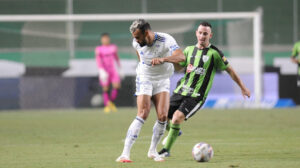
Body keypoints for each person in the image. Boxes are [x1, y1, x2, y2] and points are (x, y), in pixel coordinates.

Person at [151, 21, 251, 157]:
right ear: (196, 33)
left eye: (205, 33)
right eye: (200, 33)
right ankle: (175, 131)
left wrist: (243, 87)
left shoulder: (215, 53)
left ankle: (166, 150)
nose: (202, 36)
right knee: (162, 117)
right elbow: (180, 67)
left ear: (210, 35)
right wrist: (167, 61)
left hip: (196, 96)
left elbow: (230, 70)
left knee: (176, 118)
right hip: (180, 90)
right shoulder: (188, 50)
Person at [116, 19, 185, 163]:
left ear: (146, 32)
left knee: (162, 116)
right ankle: (125, 154)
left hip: (163, 79)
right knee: (143, 113)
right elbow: (140, 56)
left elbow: (181, 57)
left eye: (138, 37)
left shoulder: (166, 39)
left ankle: (153, 151)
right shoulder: (136, 43)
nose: (136, 40)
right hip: (145, 77)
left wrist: (163, 59)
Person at [95, 33, 121, 113]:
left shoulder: (113, 47)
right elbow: (98, 60)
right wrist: (101, 70)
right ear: (101, 40)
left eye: (106, 38)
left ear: (108, 39)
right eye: (104, 39)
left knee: (116, 86)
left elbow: (116, 58)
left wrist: (120, 67)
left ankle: (110, 103)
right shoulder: (99, 49)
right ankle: (107, 106)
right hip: (104, 71)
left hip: (113, 70)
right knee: (105, 88)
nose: (105, 40)